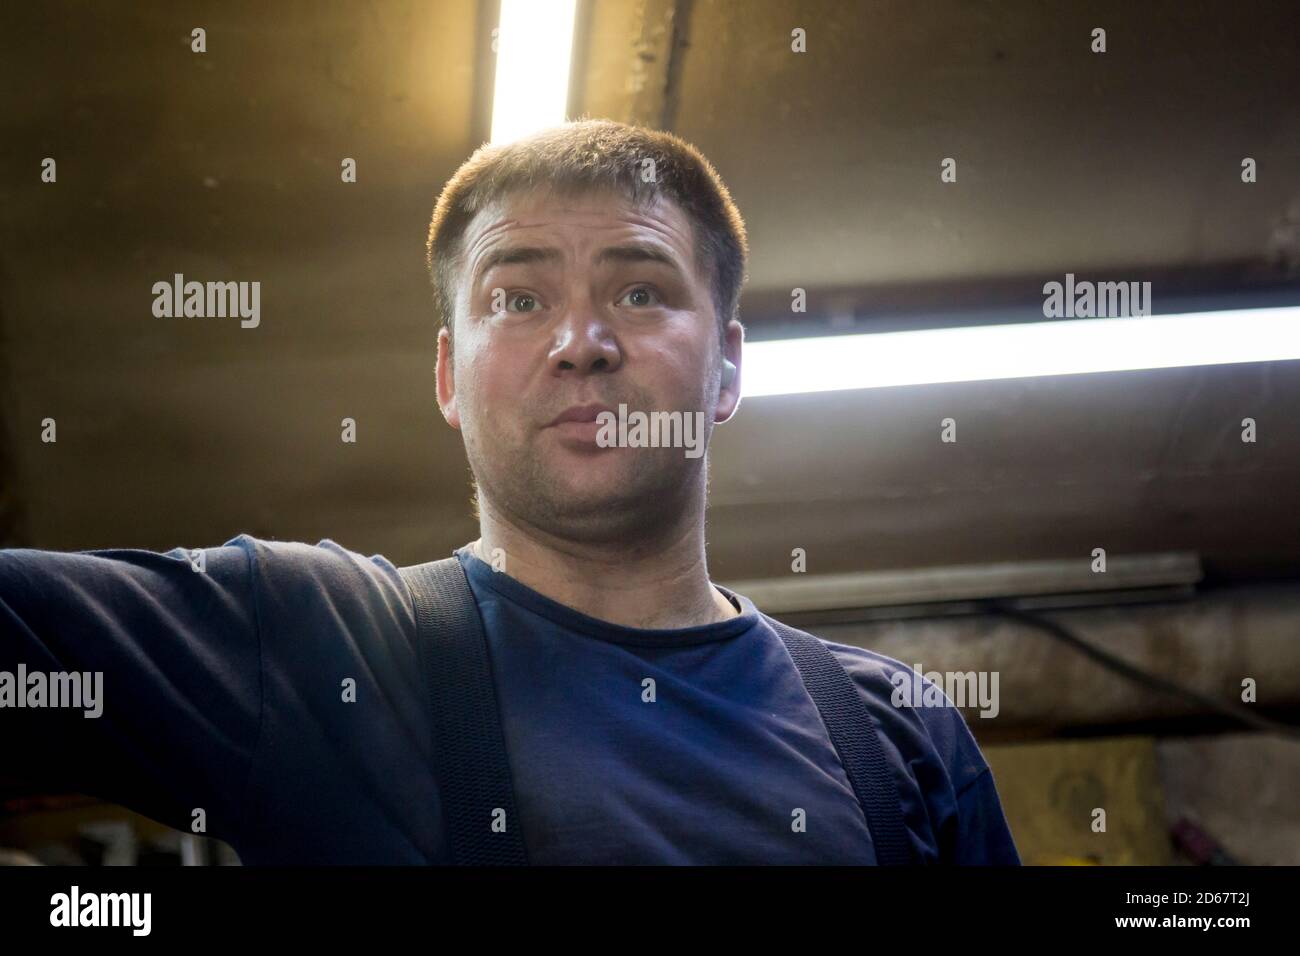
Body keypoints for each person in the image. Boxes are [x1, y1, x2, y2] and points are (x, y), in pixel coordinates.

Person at [0, 119, 1019, 865]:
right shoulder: (324, 646)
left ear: (727, 369)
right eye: (518, 297)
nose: (583, 341)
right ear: (448, 375)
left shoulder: (900, 735)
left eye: (641, 289)